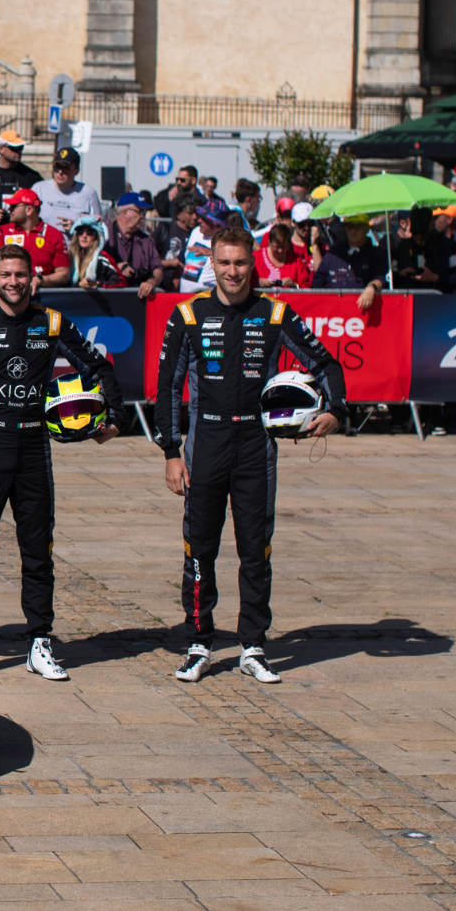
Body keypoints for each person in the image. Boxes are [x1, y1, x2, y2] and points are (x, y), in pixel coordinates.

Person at [153, 226, 345, 685]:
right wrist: (170, 452)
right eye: (224, 263)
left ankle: (253, 645)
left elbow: (327, 364)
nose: (233, 271)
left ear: (252, 263)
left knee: (255, 551)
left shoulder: (274, 313)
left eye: (240, 263)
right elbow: (165, 388)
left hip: (257, 447)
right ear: (212, 264)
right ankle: (199, 642)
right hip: (206, 447)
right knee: (199, 548)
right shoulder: (189, 315)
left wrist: (335, 411)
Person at [0, 243, 120, 682]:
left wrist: (110, 418)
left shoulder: (52, 322)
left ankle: (39, 640)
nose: (14, 282)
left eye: (21, 275)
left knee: (38, 552)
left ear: (32, 277)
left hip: (35, 451)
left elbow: (99, 367)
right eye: (6, 275)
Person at [0, 188, 69, 284]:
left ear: (29, 210)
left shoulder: (54, 235)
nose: (9, 210)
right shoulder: (2, 231)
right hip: (8, 291)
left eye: (13, 206)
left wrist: (40, 280)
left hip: (41, 295)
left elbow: (63, 274)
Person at [106, 192, 164, 297]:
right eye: (140, 211)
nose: (143, 216)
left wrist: (152, 282)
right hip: (108, 299)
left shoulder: (147, 240)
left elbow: (158, 268)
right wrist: (114, 267)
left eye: (144, 212)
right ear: (124, 212)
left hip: (138, 300)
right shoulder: (104, 235)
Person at [0, 132, 42, 218]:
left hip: (20, 230)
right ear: (1, 149)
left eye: (21, 147)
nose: (19, 152)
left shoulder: (31, 176)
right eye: (14, 148)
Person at [32, 148, 99, 232]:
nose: (60, 172)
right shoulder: (39, 189)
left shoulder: (88, 193)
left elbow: (99, 228)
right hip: (42, 243)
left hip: (73, 244)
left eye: (65, 168)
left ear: (76, 171)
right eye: (57, 167)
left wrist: (77, 227)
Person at [66, 217, 121, 288]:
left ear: (96, 236)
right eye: (80, 232)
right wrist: (79, 285)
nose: (84, 236)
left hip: (95, 298)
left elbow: (120, 281)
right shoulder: (70, 257)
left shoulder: (102, 257)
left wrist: (97, 284)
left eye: (89, 232)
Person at [255, 222, 312, 288]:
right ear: (269, 243)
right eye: (277, 247)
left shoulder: (296, 260)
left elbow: (306, 286)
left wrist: (294, 285)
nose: (280, 250)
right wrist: (258, 282)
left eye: (284, 247)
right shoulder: (256, 257)